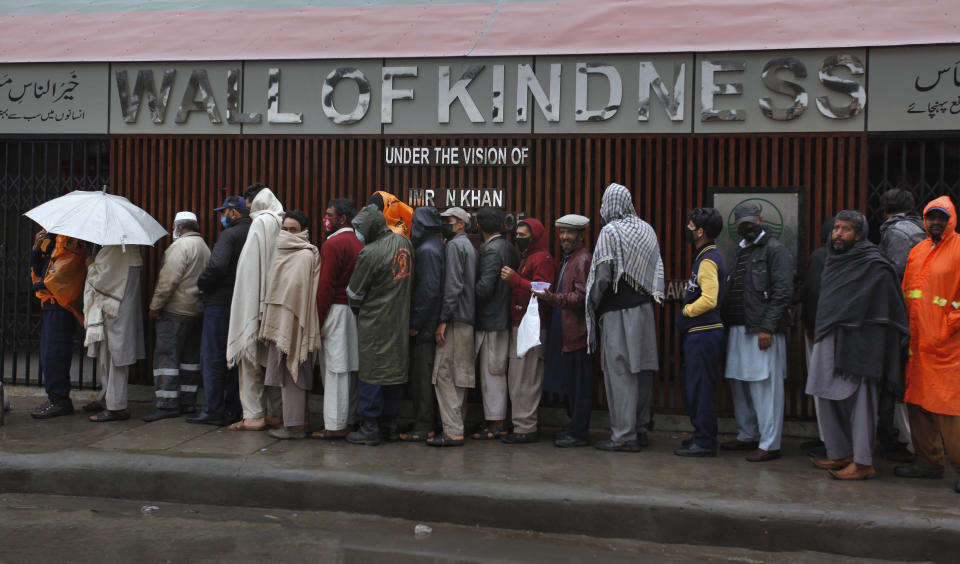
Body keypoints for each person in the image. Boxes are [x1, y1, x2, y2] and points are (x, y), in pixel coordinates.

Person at [806, 210, 909, 480]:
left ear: (860, 234)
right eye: (836, 228)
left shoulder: (874, 263)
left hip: (862, 343)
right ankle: (841, 453)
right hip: (830, 335)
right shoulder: (834, 260)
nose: (838, 234)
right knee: (825, 392)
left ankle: (864, 462)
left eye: (846, 229)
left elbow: (889, 307)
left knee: (862, 402)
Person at [585, 183, 664, 452]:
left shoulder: (610, 231)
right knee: (641, 371)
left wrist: (592, 302)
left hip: (617, 311)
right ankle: (640, 428)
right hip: (644, 311)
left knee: (619, 373)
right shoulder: (647, 229)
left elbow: (604, 276)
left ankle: (623, 435)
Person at [896, 196, 960, 494]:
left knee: (949, 409)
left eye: (941, 218)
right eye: (931, 217)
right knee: (917, 403)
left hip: (948, 346)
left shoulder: (959, 249)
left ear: (951, 220)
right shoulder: (917, 251)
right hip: (917, 344)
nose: (935, 222)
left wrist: (947, 326)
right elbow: (907, 291)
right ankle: (928, 462)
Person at [721, 202, 793, 462]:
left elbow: (783, 292)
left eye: (751, 223)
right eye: (743, 225)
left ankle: (770, 443)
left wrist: (767, 327)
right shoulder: (741, 252)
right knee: (741, 384)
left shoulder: (776, 250)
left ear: (761, 220)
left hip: (763, 330)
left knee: (765, 388)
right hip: (740, 329)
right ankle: (747, 435)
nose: (747, 228)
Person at [345, 205, 414, 445]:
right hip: (400, 320)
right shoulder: (404, 244)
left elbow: (353, 293)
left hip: (374, 323)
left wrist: (358, 308)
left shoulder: (369, 253)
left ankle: (370, 428)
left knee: (371, 373)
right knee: (394, 372)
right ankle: (390, 426)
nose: (358, 233)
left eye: (359, 229)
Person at [187, 195, 250, 426]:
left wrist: (203, 283)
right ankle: (234, 408)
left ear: (233, 213)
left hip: (219, 303)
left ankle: (213, 409)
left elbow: (217, 266)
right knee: (236, 359)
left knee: (213, 357)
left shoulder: (229, 234)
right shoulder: (254, 233)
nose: (222, 217)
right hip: (243, 303)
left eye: (224, 213)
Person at [143, 211, 211, 422]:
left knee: (167, 358)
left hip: (174, 312)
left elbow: (167, 281)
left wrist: (155, 306)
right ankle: (187, 402)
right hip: (196, 311)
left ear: (179, 227)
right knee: (189, 359)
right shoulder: (205, 248)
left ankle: (167, 404)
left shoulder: (180, 247)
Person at [227, 183, 285, 431]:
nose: (247, 208)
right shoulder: (282, 222)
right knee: (273, 363)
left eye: (247, 202)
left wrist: (249, 306)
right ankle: (275, 414)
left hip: (255, 304)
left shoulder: (260, 223)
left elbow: (250, 269)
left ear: (255, 200)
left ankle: (253, 415)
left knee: (249, 363)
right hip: (276, 305)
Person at [261, 210, 322, 440]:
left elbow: (302, 292)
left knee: (294, 375)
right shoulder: (278, 253)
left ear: (304, 232)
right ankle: (296, 421)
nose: (287, 234)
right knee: (285, 374)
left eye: (292, 230)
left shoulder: (306, 255)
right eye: (284, 229)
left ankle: (296, 426)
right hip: (281, 322)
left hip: (298, 323)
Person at [877, 189, 927, 462]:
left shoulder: (896, 233)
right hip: (922, 314)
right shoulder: (919, 228)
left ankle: (901, 441)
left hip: (902, 317)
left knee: (894, 380)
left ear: (884, 208)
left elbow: (895, 277)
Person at [674, 208, 728, 457]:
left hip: (703, 333)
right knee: (696, 387)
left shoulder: (707, 259)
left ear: (701, 231)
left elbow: (709, 299)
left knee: (700, 388)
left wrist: (686, 311)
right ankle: (701, 435)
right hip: (703, 334)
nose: (688, 228)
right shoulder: (709, 255)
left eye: (691, 225)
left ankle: (705, 441)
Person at [537, 214, 593, 447]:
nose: (565, 237)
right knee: (571, 385)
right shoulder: (570, 258)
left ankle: (578, 432)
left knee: (579, 387)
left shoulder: (581, 259)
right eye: (562, 232)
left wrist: (553, 298)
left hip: (577, 334)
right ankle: (574, 427)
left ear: (581, 235)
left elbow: (581, 297)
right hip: (568, 333)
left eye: (570, 232)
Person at [312, 198, 363, 439]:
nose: (326, 218)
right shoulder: (359, 242)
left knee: (333, 370)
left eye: (330, 214)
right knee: (350, 369)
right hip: (354, 312)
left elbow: (326, 286)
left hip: (334, 309)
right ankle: (349, 419)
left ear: (342, 218)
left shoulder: (333, 244)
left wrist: (318, 320)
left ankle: (334, 425)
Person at [500, 218, 555, 444]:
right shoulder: (528, 258)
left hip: (532, 326)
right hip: (521, 324)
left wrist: (516, 281)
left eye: (524, 235)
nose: (519, 239)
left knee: (527, 378)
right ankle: (521, 425)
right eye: (518, 235)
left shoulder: (542, 259)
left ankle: (526, 428)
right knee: (517, 378)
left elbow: (543, 290)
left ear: (536, 237)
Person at [429, 206, 478, 447]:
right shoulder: (468, 245)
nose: (444, 224)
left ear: (460, 223)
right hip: (467, 319)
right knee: (460, 377)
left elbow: (452, 287)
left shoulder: (454, 246)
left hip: (455, 320)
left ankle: (453, 429)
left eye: (448, 220)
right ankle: (456, 427)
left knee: (443, 374)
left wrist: (443, 320)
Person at [471, 207, 520, 441]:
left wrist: (466, 289)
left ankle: (497, 423)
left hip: (491, 320)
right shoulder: (509, 247)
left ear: (479, 226)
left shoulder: (491, 250)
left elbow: (484, 288)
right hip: (503, 316)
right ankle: (497, 420)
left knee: (492, 373)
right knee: (496, 371)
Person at [84, 244, 146, 422]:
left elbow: (100, 281)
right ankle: (109, 400)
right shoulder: (131, 250)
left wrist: (90, 265)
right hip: (121, 312)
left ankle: (116, 407)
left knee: (115, 361)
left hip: (114, 314)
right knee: (114, 360)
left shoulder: (115, 250)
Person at [29, 231, 87, 419]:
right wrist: (36, 249)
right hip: (51, 303)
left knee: (55, 353)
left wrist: (40, 283)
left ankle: (60, 399)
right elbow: (39, 270)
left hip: (60, 303)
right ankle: (56, 397)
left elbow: (55, 277)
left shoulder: (72, 241)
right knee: (49, 353)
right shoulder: (54, 239)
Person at [400, 206, 445, 442]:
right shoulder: (435, 246)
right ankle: (425, 421)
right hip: (430, 323)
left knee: (422, 379)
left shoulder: (426, 250)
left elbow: (428, 291)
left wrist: (415, 322)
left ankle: (424, 425)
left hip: (425, 327)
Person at [797, 218, 834, 454]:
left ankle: (827, 439)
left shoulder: (820, 256)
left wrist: (810, 324)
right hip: (839, 330)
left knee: (821, 385)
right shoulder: (852, 258)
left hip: (819, 330)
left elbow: (812, 291)